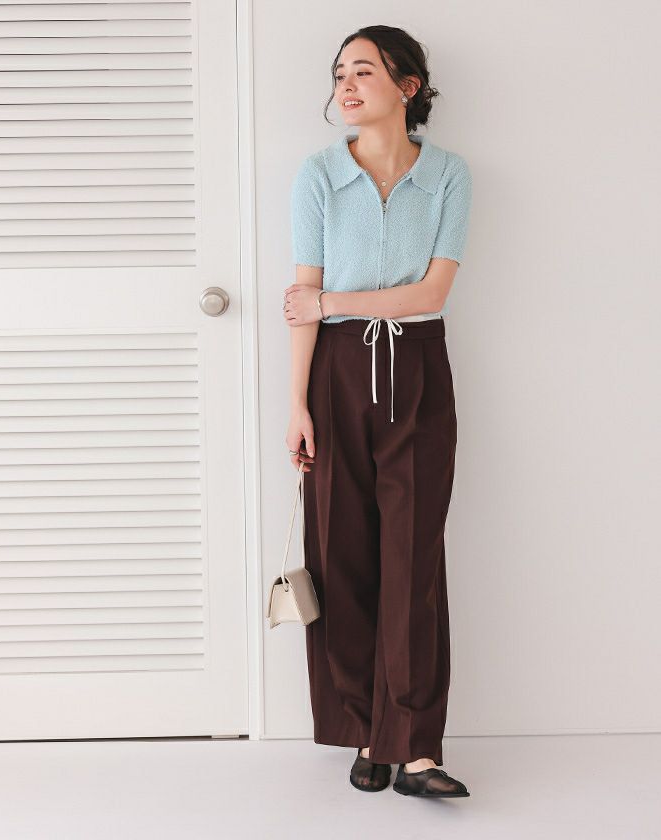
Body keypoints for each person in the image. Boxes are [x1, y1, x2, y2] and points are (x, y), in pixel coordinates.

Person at [283, 25, 473, 799]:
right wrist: (296, 404)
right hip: (335, 374)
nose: (346, 86)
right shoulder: (319, 174)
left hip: (418, 368)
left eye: (363, 71)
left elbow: (432, 293)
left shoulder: (449, 174)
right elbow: (298, 299)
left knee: (413, 561)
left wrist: (332, 302)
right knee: (345, 555)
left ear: (408, 85)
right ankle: (367, 731)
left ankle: (416, 747)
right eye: (339, 74)